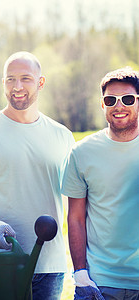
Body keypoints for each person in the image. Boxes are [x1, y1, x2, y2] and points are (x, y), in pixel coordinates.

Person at [0, 51, 75, 299]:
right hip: (2, 262)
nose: (17, 87)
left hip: (50, 264)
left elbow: (77, 199)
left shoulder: (63, 136)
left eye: (25, 78)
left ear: (40, 82)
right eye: (10, 79)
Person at [63, 67, 139, 300]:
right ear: (102, 104)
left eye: (127, 99)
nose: (119, 106)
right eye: (110, 99)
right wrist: (80, 274)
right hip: (100, 283)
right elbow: (75, 218)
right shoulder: (81, 153)